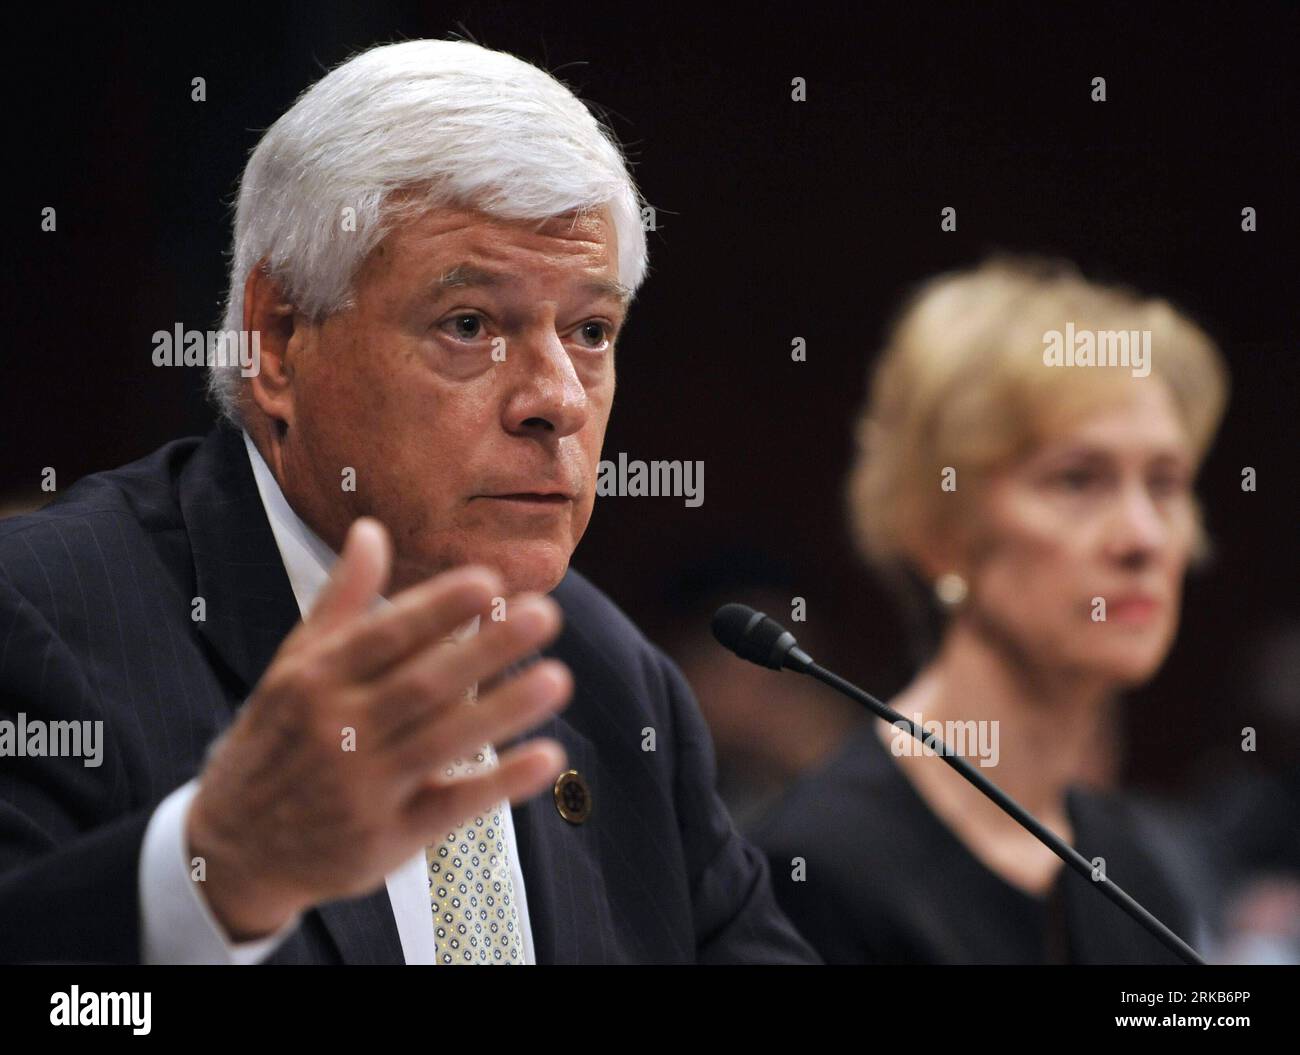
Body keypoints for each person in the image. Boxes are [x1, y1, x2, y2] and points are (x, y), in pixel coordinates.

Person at [0, 39, 817, 965]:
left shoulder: (613, 680)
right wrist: (215, 875)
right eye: (469, 324)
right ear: (279, 341)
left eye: (591, 331)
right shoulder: (43, 620)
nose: (557, 398)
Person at [753, 256, 1229, 963]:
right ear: (940, 527)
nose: (1143, 537)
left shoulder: (1134, 872)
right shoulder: (817, 869)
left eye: (1164, 484)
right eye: (1078, 480)